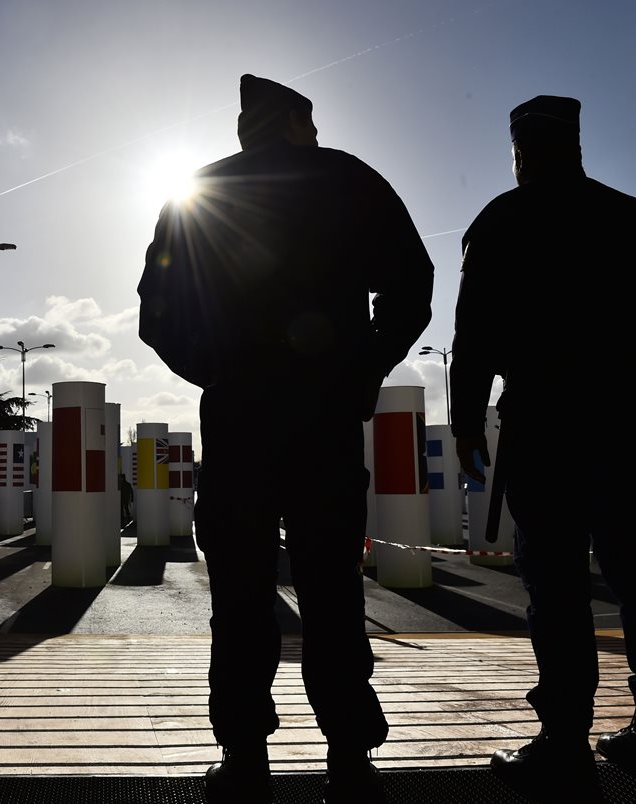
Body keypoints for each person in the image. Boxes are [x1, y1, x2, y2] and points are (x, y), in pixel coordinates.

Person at [138, 74, 433, 804]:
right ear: (302, 124)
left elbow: (156, 314)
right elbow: (413, 286)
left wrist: (217, 369)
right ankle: (350, 757)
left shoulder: (198, 190)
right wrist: (361, 369)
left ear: (245, 130)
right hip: (325, 421)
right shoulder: (347, 179)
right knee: (333, 590)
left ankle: (243, 759)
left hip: (238, 423)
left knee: (239, 595)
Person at [450, 95, 636, 796]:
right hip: (620, 426)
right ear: (576, 145)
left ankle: (564, 740)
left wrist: (468, 423)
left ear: (519, 150)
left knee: (555, 589)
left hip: (543, 428)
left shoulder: (500, 221)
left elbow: (474, 338)